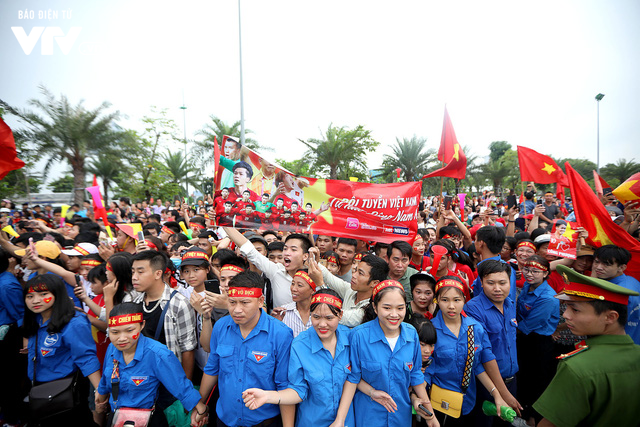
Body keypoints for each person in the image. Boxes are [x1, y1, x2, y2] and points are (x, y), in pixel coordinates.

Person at [533, 265, 640, 426]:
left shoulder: (576, 367)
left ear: (610, 317)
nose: (565, 315)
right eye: (567, 307)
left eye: (575, 310)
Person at [192, 271, 294, 427]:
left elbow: (284, 386)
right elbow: (212, 369)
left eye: (245, 302)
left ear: (260, 301)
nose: (237, 310)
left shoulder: (280, 334)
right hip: (225, 419)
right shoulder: (221, 327)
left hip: (264, 421)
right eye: (232, 302)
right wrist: (200, 406)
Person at [241, 289, 355, 427]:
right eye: (316, 317)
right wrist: (267, 396)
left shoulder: (351, 338)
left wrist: (341, 420)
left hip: (346, 422)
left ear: (340, 315)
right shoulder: (299, 346)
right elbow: (298, 390)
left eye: (329, 318)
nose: (322, 324)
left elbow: (354, 378)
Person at [335, 280, 437, 427]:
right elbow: (353, 377)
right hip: (368, 416)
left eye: (400, 308)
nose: (394, 314)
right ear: (375, 308)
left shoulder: (411, 334)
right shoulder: (359, 336)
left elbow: (415, 374)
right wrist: (341, 419)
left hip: (400, 416)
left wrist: (430, 414)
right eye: (387, 308)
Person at [95, 303, 207, 427]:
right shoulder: (111, 349)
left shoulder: (158, 353)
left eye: (129, 330)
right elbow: (105, 382)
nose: (121, 338)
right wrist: (100, 402)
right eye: (115, 332)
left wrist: (200, 409)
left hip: (148, 419)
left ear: (142, 325)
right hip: (117, 418)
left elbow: (181, 385)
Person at [425, 276, 509, 425]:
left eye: (456, 300)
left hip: (468, 400)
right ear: (437, 300)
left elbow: (476, 366)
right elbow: (426, 370)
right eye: (445, 300)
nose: (451, 306)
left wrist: (496, 394)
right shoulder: (430, 330)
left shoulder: (475, 328)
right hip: (438, 404)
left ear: (464, 300)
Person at [23, 274, 101, 425]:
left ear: (57, 294)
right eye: (30, 296)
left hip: (65, 392)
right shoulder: (36, 319)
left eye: (43, 294)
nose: (35, 300)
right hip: (40, 391)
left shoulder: (74, 322)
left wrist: (99, 391)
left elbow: (86, 358)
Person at [464, 260, 522, 425]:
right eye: (491, 283)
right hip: (487, 385)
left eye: (502, 283)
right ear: (481, 283)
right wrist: (503, 394)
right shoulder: (473, 309)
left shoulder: (510, 304)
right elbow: (484, 354)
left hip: (511, 380)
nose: (497, 288)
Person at [515, 256, 559, 425]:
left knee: (537, 381)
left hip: (538, 342)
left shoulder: (548, 297)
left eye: (535, 271)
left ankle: (534, 418)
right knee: (524, 377)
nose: (529, 274)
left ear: (545, 273)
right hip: (524, 337)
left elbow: (529, 324)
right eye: (527, 270)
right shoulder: (528, 285)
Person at [309, 249, 389, 327]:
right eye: (356, 270)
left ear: (374, 283)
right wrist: (315, 261)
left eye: (360, 273)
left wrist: (320, 283)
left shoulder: (371, 308)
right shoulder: (350, 290)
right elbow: (328, 277)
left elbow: (331, 315)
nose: (353, 275)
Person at [591, 245, 640, 344]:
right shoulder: (632, 281)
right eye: (596, 262)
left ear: (621, 267)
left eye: (606, 264)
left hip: (618, 345)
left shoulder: (619, 292)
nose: (599, 267)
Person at [272, 269, 315, 337]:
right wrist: (274, 323)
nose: (293, 289)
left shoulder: (320, 313)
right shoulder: (283, 312)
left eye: (300, 285)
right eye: (292, 284)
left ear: (312, 290)